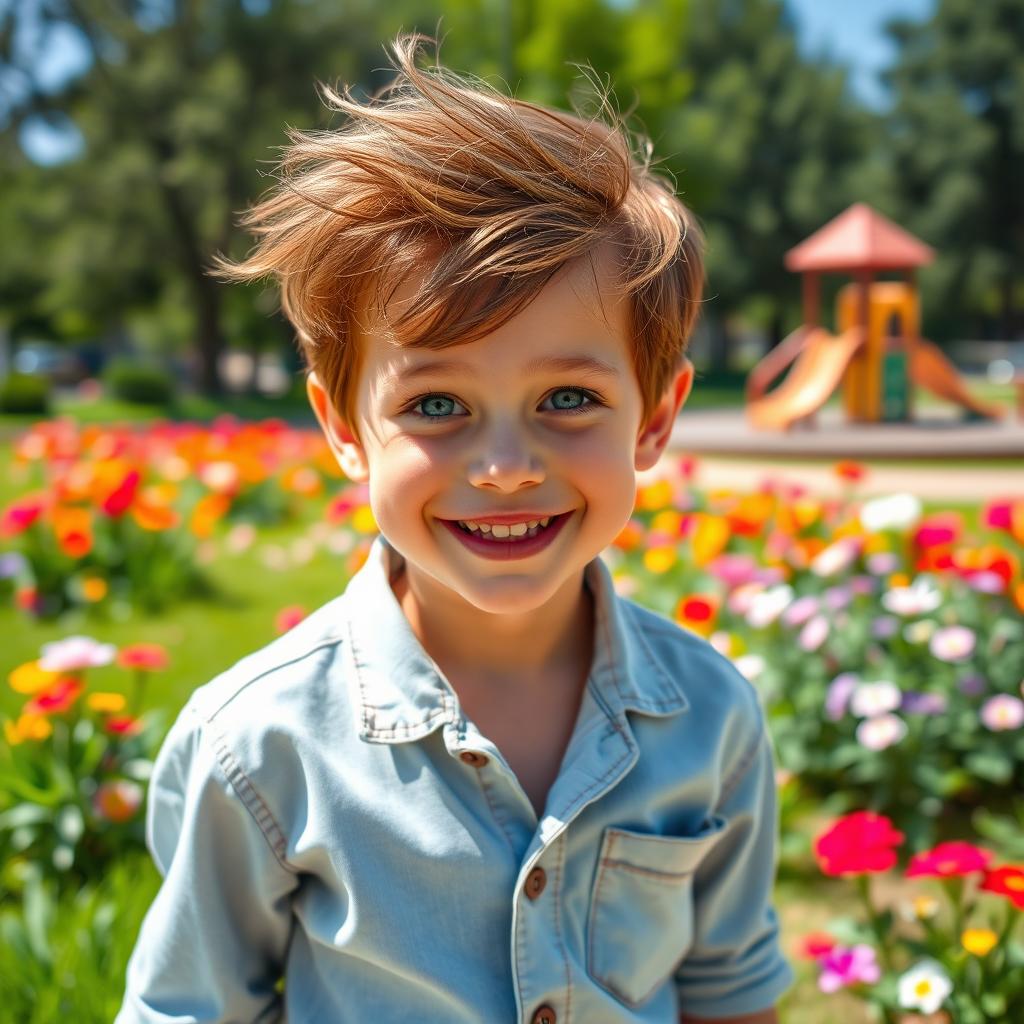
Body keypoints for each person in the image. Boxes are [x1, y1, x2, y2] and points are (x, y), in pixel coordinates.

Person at [115, 35, 794, 1024]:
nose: (507, 464)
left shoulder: (710, 716)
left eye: (566, 396)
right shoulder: (256, 744)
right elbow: (189, 1007)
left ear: (653, 418)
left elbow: (730, 994)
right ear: (345, 428)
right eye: (435, 405)